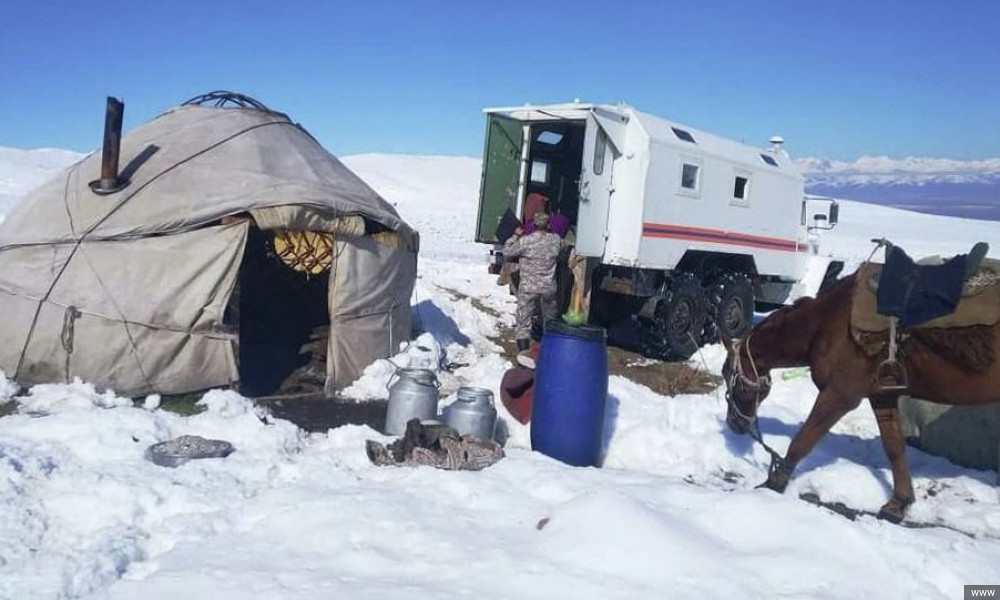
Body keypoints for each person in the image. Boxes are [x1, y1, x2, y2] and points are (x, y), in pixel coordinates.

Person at [503, 211, 563, 354]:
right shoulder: (556, 240)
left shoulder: (526, 241)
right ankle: (549, 352)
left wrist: (515, 235)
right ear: (548, 225)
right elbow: (563, 250)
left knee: (523, 322)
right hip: (548, 288)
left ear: (533, 225)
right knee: (550, 322)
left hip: (528, 288)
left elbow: (507, 251)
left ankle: (523, 355)